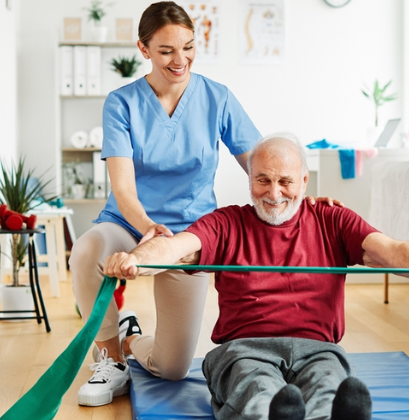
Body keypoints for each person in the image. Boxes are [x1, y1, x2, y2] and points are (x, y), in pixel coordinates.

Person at [69, 2, 338, 407]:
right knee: (87, 249)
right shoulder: (121, 102)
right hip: (129, 222)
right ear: (143, 49)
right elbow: (123, 189)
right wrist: (146, 230)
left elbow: (261, 164)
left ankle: (130, 337)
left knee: (173, 367)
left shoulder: (217, 98)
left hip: (190, 234)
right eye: (166, 51)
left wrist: (298, 195)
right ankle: (109, 358)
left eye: (189, 47)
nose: (181, 60)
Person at [104, 134, 409, 420]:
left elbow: (391, 250)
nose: (274, 193)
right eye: (262, 180)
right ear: (249, 180)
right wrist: (135, 260)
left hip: (318, 349)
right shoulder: (227, 222)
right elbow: (175, 247)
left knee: (330, 385)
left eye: (285, 181)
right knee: (257, 389)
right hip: (244, 350)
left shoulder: (333, 220)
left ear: (304, 180)